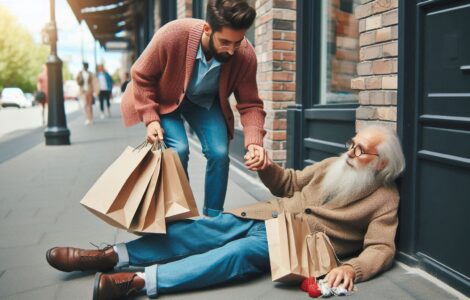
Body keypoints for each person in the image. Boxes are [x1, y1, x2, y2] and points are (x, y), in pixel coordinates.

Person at [46, 125, 406, 299]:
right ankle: (111, 256)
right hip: (264, 213)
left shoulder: (384, 199)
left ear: (382, 163)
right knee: (198, 230)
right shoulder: (334, 164)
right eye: (351, 143)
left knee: (234, 255)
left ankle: (140, 282)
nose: (350, 152)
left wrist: (350, 267)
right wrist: (266, 165)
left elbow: (381, 249)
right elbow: (289, 184)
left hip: (294, 244)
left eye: (360, 150)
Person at [121, 0, 269, 217]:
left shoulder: (244, 55)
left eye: (237, 43)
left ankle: (213, 218)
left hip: (205, 102)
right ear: (207, 29)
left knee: (219, 153)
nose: (231, 50)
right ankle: (184, 216)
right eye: (225, 42)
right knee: (179, 150)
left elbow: (250, 103)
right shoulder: (173, 34)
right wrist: (151, 118)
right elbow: (141, 75)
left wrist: (254, 142)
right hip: (167, 99)